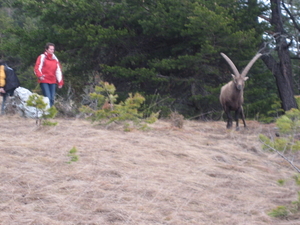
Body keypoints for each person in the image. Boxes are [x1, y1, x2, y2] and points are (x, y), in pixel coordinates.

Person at [34, 42, 64, 107]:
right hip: (44, 80)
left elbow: (58, 71)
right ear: (46, 49)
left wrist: (60, 82)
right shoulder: (42, 57)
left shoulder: (55, 59)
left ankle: (50, 112)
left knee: (52, 98)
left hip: (52, 81)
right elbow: (37, 67)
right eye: (50, 49)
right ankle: (46, 112)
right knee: (47, 97)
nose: (52, 51)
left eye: (53, 49)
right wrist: (40, 75)